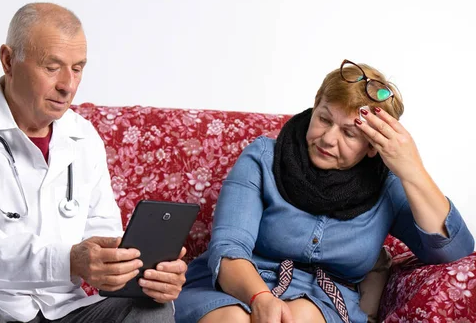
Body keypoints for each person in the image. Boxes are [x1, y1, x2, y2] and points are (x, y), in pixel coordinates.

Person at [0, 2, 187, 323]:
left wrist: (137, 270)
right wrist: (70, 261)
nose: (68, 85)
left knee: (152, 310)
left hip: (61, 308)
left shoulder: (84, 136)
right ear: (8, 61)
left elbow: (102, 231)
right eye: (52, 68)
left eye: (77, 68)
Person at [174, 60, 474, 323]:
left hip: (323, 300)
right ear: (315, 105)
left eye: (349, 133)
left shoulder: (387, 185)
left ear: (372, 145)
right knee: (232, 319)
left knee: (300, 317)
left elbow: (453, 251)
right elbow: (229, 249)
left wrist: (412, 169)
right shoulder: (263, 158)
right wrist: (260, 299)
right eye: (324, 119)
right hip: (236, 286)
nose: (329, 139)